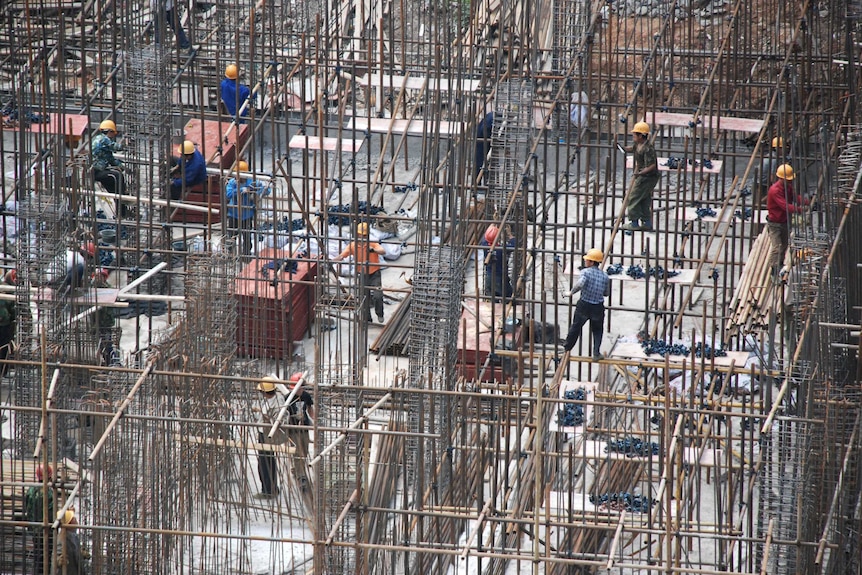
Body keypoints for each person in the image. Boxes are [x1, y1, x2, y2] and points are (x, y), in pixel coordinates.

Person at [562, 248, 610, 361]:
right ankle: (596, 353)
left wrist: (571, 292)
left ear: (592, 262)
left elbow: (580, 284)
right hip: (598, 307)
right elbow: (606, 293)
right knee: (597, 330)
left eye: (587, 260)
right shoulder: (605, 276)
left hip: (584, 305)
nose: (585, 262)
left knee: (576, 327)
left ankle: (567, 348)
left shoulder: (585, 272)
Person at [333, 222, 386, 323]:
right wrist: (332, 260)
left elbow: (383, 251)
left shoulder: (372, 243)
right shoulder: (352, 246)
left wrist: (374, 250)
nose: (363, 237)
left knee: (377, 295)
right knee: (364, 297)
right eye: (361, 235)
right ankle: (367, 319)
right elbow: (342, 255)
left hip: (374, 273)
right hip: (362, 274)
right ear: (357, 235)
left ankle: (380, 314)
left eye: (365, 236)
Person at [766, 163, 808, 274]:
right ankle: (774, 269)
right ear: (781, 178)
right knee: (777, 246)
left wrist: (808, 202)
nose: (790, 181)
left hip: (784, 222)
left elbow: (795, 197)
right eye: (788, 180)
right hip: (775, 223)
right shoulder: (775, 190)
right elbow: (785, 205)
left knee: (784, 245)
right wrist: (800, 210)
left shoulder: (787, 188)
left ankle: (780, 265)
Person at [225, 160, 269, 255]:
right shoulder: (233, 183)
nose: (239, 177)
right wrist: (240, 190)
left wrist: (261, 191)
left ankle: (246, 254)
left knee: (247, 235)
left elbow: (265, 190)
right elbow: (228, 194)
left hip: (247, 214)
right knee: (232, 235)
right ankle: (230, 254)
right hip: (234, 213)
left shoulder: (252, 182)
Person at [621, 121, 659, 231]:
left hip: (648, 177)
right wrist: (621, 148)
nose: (633, 136)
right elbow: (631, 149)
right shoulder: (638, 144)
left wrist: (640, 173)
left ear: (641, 136)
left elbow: (652, 165)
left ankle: (634, 223)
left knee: (633, 197)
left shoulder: (648, 148)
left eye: (634, 135)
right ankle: (646, 223)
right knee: (644, 198)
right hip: (644, 175)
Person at [25, 464, 55, 574]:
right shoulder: (48, 493)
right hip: (46, 529)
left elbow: (27, 508)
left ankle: (37, 571)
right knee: (45, 556)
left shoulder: (31, 490)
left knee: (38, 553)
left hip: (34, 529)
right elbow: (51, 513)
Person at [91, 269, 120, 366]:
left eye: (100, 276)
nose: (98, 278)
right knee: (99, 344)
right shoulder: (91, 288)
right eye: (97, 276)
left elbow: (116, 296)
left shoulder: (108, 288)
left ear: (104, 278)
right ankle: (107, 361)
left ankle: (112, 362)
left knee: (107, 343)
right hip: (95, 322)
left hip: (106, 322)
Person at [479, 224, 515, 300]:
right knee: (508, 297)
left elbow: (487, 236)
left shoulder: (484, 244)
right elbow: (514, 245)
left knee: (492, 300)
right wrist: (509, 234)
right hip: (500, 278)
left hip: (489, 277)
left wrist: (493, 225)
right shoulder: (501, 249)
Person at [90, 120, 125, 197]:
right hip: (96, 171)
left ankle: (119, 200)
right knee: (118, 175)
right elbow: (116, 147)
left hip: (96, 171)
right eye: (113, 133)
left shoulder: (97, 139)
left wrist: (121, 166)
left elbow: (110, 159)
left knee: (113, 179)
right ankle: (122, 197)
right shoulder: (103, 139)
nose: (113, 136)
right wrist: (126, 145)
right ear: (109, 131)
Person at [55, 509, 85, 575]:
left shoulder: (73, 535)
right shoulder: (62, 538)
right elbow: (56, 558)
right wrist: (59, 560)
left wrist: (81, 554)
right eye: (73, 518)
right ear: (69, 523)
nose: (76, 519)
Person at [757, 136, 785, 205]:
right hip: (763, 186)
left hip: (759, 183)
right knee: (766, 206)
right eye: (782, 148)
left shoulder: (770, 155)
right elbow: (772, 178)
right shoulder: (774, 159)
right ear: (777, 148)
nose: (784, 150)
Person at [0, 270, 16, 377]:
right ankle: (2, 371)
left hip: (4, 324)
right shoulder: (6, 290)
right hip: (4, 325)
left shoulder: (6, 289)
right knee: (4, 348)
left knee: (4, 348)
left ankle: (2, 371)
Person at [474, 111, 494, 180]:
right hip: (481, 140)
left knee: (489, 163)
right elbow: (484, 130)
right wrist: (491, 138)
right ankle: (478, 184)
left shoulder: (493, 116)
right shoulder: (492, 118)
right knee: (480, 162)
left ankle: (485, 183)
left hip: (486, 140)